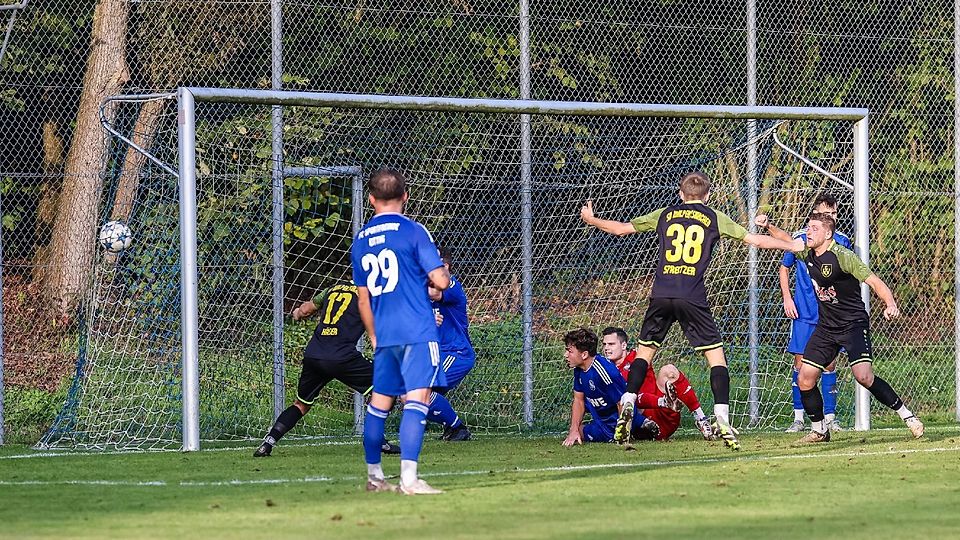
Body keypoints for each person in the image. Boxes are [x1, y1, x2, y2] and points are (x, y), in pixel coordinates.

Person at [580, 170, 799, 451]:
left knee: (644, 354)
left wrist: (591, 219)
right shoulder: (713, 217)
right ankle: (722, 418)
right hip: (692, 296)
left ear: (681, 194)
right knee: (716, 359)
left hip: (661, 293)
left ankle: (629, 402)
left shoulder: (665, 214)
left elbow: (622, 229)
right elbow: (755, 240)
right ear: (707, 195)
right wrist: (791, 244)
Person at [757, 212, 924, 442]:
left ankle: (908, 416)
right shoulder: (807, 250)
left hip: (852, 323)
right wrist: (765, 228)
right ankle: (819, 430)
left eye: (814, 228)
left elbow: (873, 281)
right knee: (805, 378)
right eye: (808, 227)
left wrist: (890, 303)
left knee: (863, 377)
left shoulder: (843, 256)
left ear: (828, 233)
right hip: (827, 327)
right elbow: (784, 240)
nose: (809, 231)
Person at [351, 168, 451, 495]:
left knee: (379, 403)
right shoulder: (413, 230)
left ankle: (374, 476)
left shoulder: (361, 239)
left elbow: (363, 298)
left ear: (370, 199)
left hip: (385, 333)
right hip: (417, 329)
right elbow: (441, 280)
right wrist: (430, 275)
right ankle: (409, 480)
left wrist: (373, 335)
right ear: (405, 196)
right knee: (417, 399)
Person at [253, 283, 400, 458]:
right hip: (342, 357)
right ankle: (376, 440)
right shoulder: (370, 293)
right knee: (387, 387)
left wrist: (298, 312)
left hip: (314, 354)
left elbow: (307, 309)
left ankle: (268, 442)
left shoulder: (332, 289)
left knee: (301, 404)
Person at [780, 194, 852, 433]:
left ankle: (830, 417)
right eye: (825, 214)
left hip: (830, 314)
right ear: (814, 214)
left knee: (830, 364)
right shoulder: (802, 239)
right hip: (804, 312)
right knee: (801, 363)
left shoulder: (842, 241)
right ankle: (799, 417)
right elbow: (784, 267)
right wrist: (787, 297)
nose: (831, 217)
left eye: (833, 214)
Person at [600, 326, 713, 441]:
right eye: (604, 344)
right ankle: (626, 432)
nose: (606, 348)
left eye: (611, 344)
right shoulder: (605, 370)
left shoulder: (638, 356)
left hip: (664, 413)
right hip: (640, 421)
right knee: (625, 399)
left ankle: (701, 419)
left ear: (623, 345)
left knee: (668, 370)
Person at [426, 246, 475, 441]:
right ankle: (451, 427)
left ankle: (458, 428)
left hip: (456, 353)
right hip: (437, 353)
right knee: (417, 398)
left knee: (422, 390)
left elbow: (434, 294)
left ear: (445, 266)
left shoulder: (452, 285)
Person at [561, 328, 629, 446]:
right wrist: (573, 431)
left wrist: (623, 432)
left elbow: (621, 402)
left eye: (570, 351)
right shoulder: (579, 369)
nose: (565, 355)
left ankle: (641, 426)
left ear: (584, 354)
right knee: (579, 431)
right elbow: (578, 400)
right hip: (601, 422)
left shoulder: (604, 371)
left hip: (614, 423)